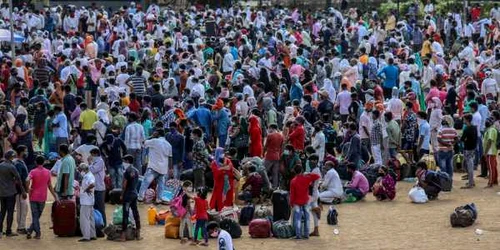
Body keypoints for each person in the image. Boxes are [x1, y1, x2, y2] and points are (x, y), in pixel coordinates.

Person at [26, 155, 58, 239]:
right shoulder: (47, 172)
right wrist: (55, 196)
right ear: (43, 162)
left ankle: (34, 231)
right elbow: (50, 186)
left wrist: (28, 189)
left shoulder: (33, 171)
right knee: (37, 215)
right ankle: (34, 231)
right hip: (42, 197)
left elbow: (27, 179)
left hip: (33, 196)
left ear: (36, 162)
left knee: (35, 216)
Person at [138, 129, 172, 203]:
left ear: (157, 133)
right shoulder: (168, 145)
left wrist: (151, 136)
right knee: (161, 185)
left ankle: (140, 197)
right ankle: (159, 199)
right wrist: (170, 168)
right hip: (163, 168)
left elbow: (143, 142)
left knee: (146, 182)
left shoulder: (154, 141)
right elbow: (170, 157)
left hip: (153, 166)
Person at [289, 164, 320, 240]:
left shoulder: (293, 181)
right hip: (306, 200)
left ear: (294, 171)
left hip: (297, 202)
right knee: (307, 218)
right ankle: (306, 235)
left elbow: (292, 194)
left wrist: (291, 203)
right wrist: (308, 173)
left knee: (298, 218)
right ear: (302, 170)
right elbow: (317, 176)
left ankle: (298, 235)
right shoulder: (307, 178)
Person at [0, 150, 26, 237]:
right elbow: (18, 179)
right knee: (10, 212)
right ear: (11, 157)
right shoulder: (11, 167)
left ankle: (0, 231)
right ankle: (8, 231)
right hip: (10, 192)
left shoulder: (1, 165)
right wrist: (23, 191)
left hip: (2, 192)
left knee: (2, 211)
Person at [120, 155, 142, 241]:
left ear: (128, 161)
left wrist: (122, 194)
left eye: (124, 161)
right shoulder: (136, 171)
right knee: (136, 213)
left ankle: (123, 236)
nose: (123, 163)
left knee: (125, 214)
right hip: (134, 194)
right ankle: (138, 234)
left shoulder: (127, 171)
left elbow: (124, 185)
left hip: (127, 195)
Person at [78, 163, 96, 242]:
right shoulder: (89, 175)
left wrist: (86, 189)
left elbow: (92, 184)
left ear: (83, 170)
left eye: (80, 170)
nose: (80, 172)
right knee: (91, 218)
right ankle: (92, 235)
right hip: (89, 200)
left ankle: (86, 236)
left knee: (84, 219)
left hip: (86, 201)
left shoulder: (88, 176)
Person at [13, 146, 29, 235]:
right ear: (22, 152)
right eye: (25, 151)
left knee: (24, 208)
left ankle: (21, 226)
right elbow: (17, 179)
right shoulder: (18, 163)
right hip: (19, 191)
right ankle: (20, 227)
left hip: (21, 190)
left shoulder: (19, 162)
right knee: (21, 209)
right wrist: (23, 190)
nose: (27, 152)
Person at [88, 148, 106, 225]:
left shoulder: (100, 161)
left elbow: (92, 170)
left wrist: (89, 162)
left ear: (95, 154)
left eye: (91, 154)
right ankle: (97, 224)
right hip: (96, 188)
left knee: (100, 208)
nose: (90, 156)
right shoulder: (95, 161)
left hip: (99, 188)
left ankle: (103, 223)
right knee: (95, 207)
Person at [263, 124, 284, 189]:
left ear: (271, 128)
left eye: (269, 128)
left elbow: (265, 146)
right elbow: (281, 147)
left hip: (269, 155)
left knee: (264, 171)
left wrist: (263, 153)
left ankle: (266, 186)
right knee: (275, 174)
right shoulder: (281, 136)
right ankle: (275, 188)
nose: (268, 130)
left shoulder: (270, 135)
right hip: (277, 156)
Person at [461, 114, 478, 189]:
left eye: (464, 119)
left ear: (467, 120)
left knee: (469, 166)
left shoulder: (467, 129)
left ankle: (471, 183)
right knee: (469, 164)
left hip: (468, 148)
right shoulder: (474, 127)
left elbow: (462, 139)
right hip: (473, 148)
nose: (463, 120)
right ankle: (471, 182)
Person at [307, 154, 322, 237]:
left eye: (311, 160)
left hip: (312, 193)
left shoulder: (314, 171)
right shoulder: (316, 169)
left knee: (306, 209)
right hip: (315, 193)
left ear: (316, 161)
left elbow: (311, 184)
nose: (310, 162)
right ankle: (316, 230)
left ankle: (316, 209)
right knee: (314, 214)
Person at [483, 118, 498, 188]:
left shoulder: (491, 130)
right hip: (492, 151)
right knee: (493, 166)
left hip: (490, 151)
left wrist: (485, 152)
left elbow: (489, 141)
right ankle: (494, 180)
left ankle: (490, 182)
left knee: (491, 167)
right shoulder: (491, 129)